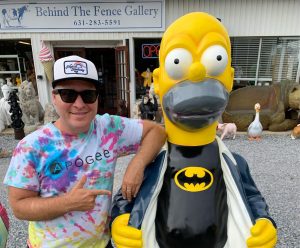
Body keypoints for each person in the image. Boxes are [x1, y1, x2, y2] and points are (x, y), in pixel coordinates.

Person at [3, 55, 166, 248]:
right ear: (54, 97)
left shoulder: (108, 128)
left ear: (97, 97)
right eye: (68, 95)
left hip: (102, 244)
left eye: (88, 95)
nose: (79, 104)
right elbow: (19, 207)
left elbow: (157, 131)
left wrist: (137, 165)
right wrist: (68, 203)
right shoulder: (32, 146)